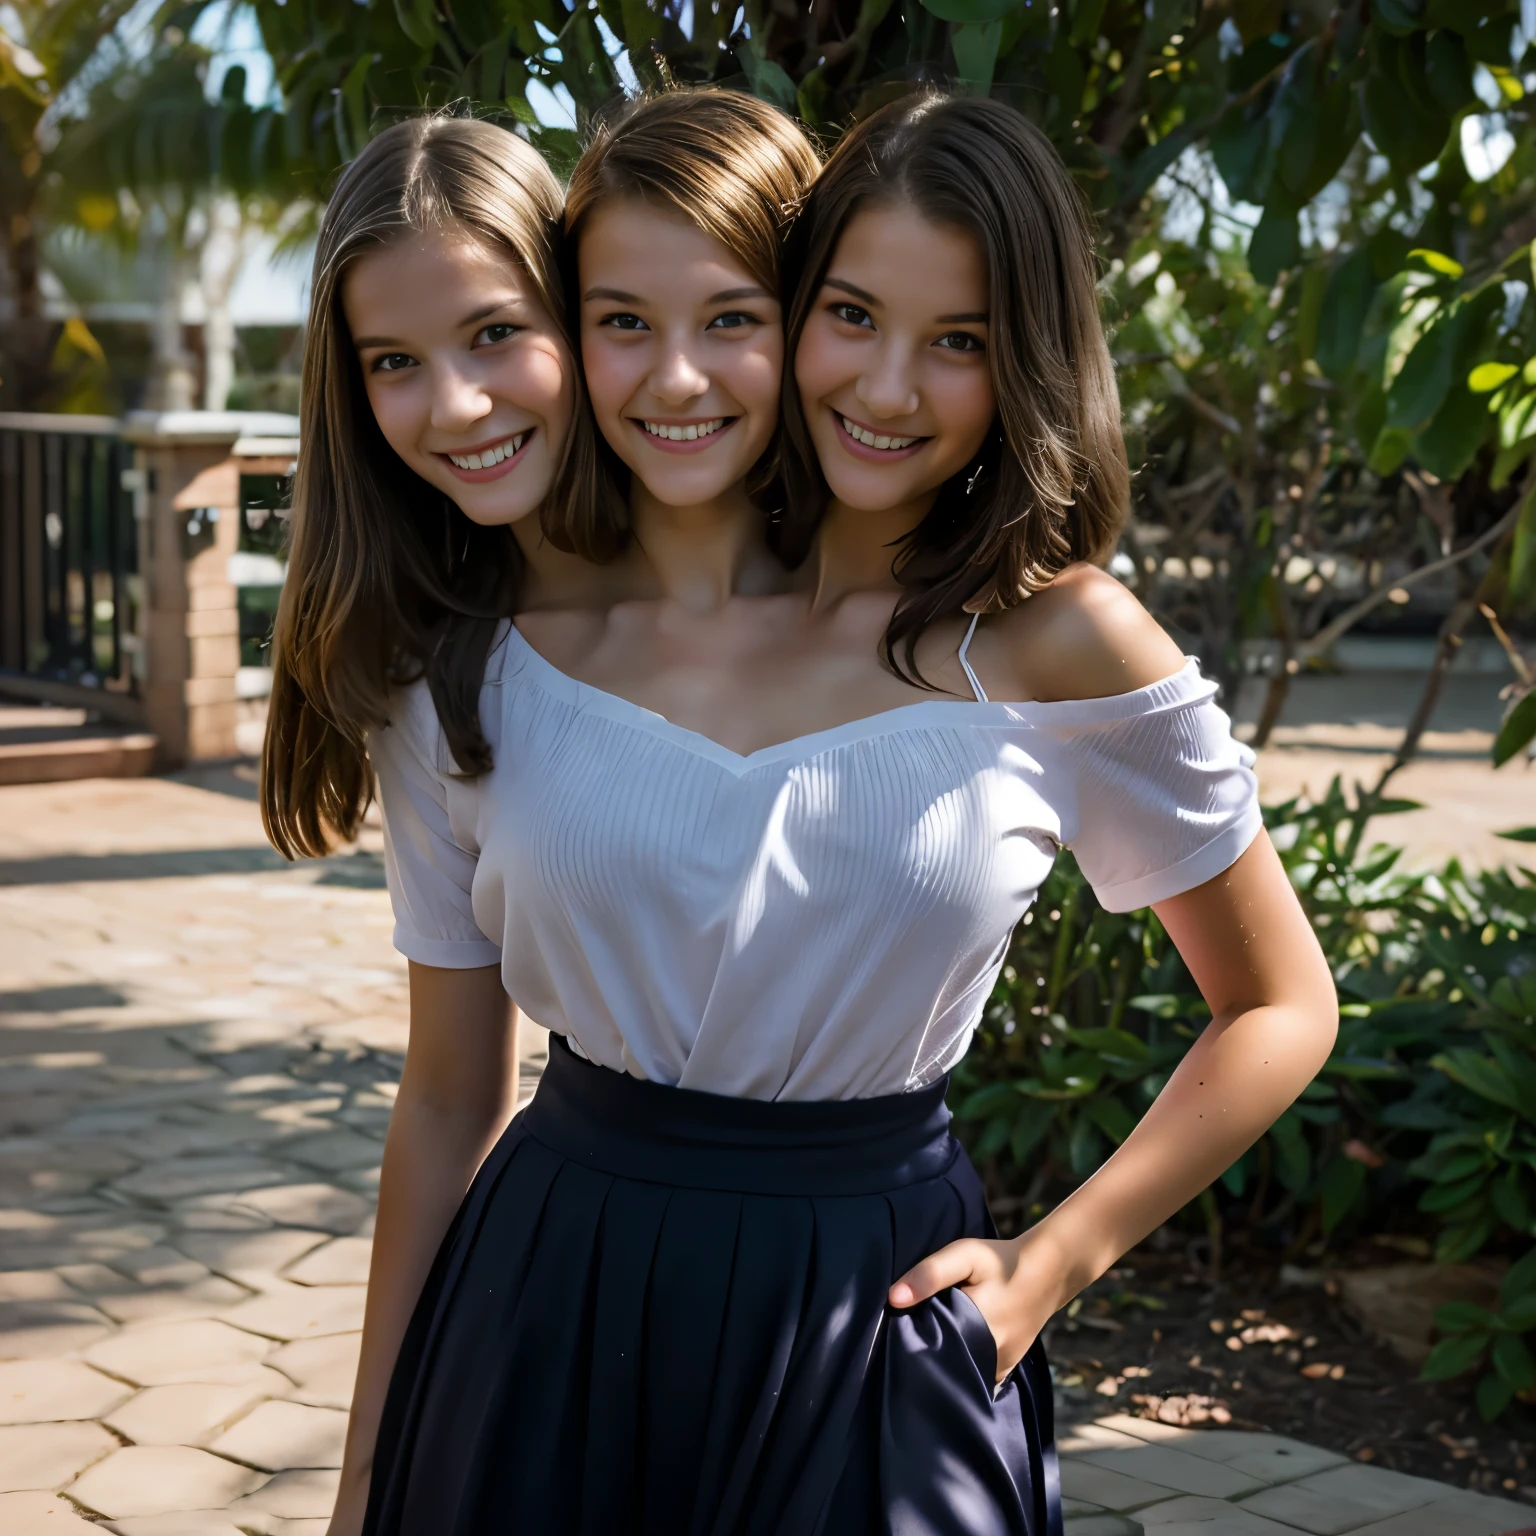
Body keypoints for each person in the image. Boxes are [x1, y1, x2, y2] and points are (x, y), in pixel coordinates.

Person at [256, 112, 643, 1535]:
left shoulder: (805, 597)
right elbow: (447, 1093)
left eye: (495, 335)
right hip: (567, 1299)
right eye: (395, 365)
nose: (456, 407)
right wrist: (368, 1478)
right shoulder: (447, 688)